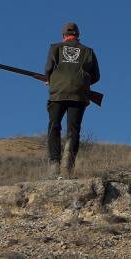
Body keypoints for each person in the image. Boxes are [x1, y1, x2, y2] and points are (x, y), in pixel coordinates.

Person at [45, 22, 100, 178]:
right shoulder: (88, 51)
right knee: (73, 130)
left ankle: (54, 164)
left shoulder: (55, 48)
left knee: (54, 126)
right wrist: (81, 84)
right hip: (79, 95)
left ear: (63, 36)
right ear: (78, 35)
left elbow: (48, 68)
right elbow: (96, 76)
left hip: (58, 93)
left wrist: (51, 79)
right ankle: (67, 167)